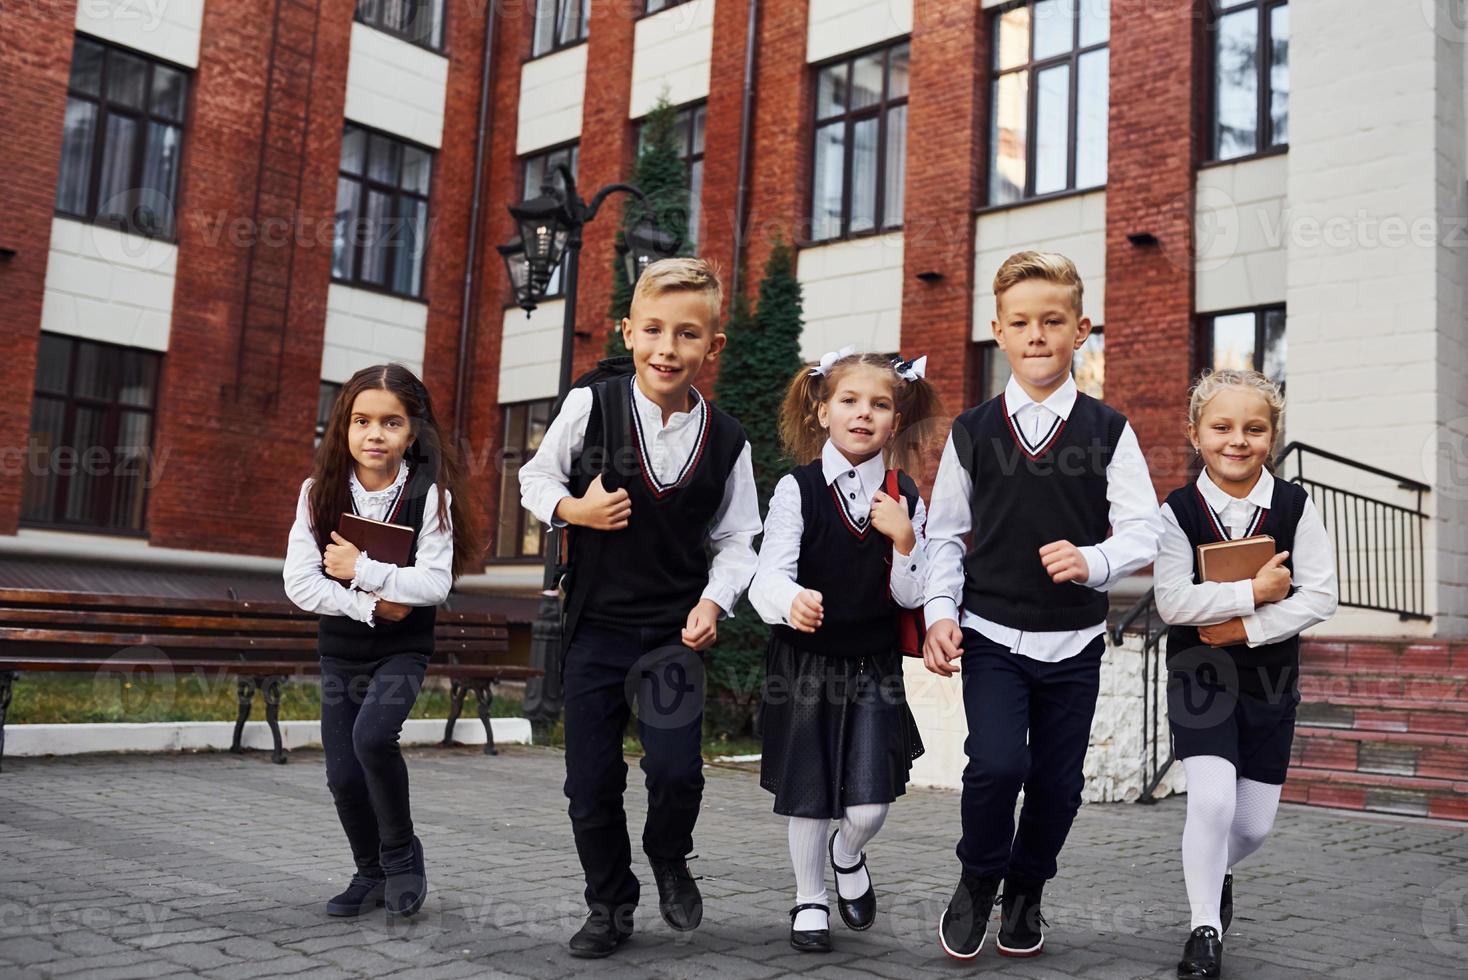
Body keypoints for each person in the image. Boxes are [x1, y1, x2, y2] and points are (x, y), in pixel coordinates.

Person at [517, 257, 761, 958]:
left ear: (711, 347)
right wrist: (574, 510)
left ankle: (668, 853)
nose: (667, 348)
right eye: (653, 329)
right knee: (590, 784)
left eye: (687, 335)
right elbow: (535, 476)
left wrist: (716, 601)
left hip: (673, 638)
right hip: (596, 630)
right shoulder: (591, 406)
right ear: (628, 332)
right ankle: (609, 904)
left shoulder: (730, 441)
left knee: (679, 770)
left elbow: (739, 538)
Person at [922, 250, 1163, 959]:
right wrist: (940, 611)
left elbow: (1145, 527)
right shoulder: (972, 432)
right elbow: (942, 534)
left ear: (1080, 329)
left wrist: (1095, 561)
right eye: (1021, 322)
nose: (1036, 335)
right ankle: (977, 879)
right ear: (997, 330)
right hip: (991, 634)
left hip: (1074, 643)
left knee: (1058, 785)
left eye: (1052, 321)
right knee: (997, 766)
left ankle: (1026, 890)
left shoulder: (1108, 429)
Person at [751, 348, 942, 953]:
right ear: (823, 411)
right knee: (808, 791)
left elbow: (913, 592)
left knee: (868, 802)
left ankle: (848, 853)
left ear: (895, 418)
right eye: (850, 402)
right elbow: (765, 577)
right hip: (805, 662)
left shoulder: (903, 492)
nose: (864, 415)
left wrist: (905, 538)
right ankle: (810, 897)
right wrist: (790, 600)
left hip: (872, 663)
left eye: (880, 405)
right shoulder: (796, 488)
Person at [1155, 368, 1338, 979]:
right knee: (1210, 802)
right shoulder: (1177, 510)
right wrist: (1251, 591)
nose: (1238, 440)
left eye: (1254, 429)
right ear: (1195, 433)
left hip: (1270, 679)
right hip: (1200, 675)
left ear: (1272, 436)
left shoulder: (1294, 506)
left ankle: (1217, 868)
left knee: (1252, 827)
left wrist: (1247, 627)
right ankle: (1204, 928)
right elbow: (1173, 603)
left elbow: (1321, 597)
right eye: (1222, 427)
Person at [283, 363, 481, 919]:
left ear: (412, 432)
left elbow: (434, 584)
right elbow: (300, 584)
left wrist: (360, 567)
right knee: (342, 773)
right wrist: (371, 603)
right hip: (342, 651)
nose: (375, 434)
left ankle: (400, 857)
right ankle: (367, 873)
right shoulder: (317, 494)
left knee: (373, 739)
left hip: (403, 650)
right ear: (343, 427)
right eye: (361, 420)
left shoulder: (430, 496)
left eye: (390, 423)